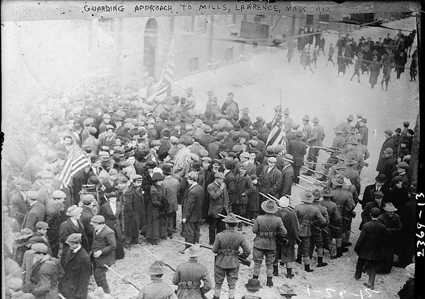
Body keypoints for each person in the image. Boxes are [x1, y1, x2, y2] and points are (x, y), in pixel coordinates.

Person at [211, 213, 250, 299]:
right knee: (232, 284)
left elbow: (214, 250)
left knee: (218, 283)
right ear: (236, 225)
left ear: (226, 225)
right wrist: (240, 257)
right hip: (234, 262)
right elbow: (247, 251)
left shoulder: (219, 236)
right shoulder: (240, 236)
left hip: (220, 262)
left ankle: (216, 297)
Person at [252, 200, 287, 287]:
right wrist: (275, 234)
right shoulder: (278, 220)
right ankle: (269, 281)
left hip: (259, 243)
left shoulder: (259, 218)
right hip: (271, 243)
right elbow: (284, 233)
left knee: (257, 262)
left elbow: (254, 230)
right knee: (270, 263)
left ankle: (255, 280)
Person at [354, 207, 386, 290]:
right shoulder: (383, 226)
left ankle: (357, 276)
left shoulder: (366, 225)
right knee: (373, 267)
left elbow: (361, 239)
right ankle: (371, 282)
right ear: (379, 215)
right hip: (376, 249)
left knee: (360, 263)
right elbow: (384, 239)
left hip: (365, 248)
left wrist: (357, 249)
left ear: (370, 215)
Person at [295, 191, 326, 272]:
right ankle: (307, 267)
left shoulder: (297, 207)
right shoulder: (315, 209)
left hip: (297, 229)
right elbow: (323, 221)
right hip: (307, 230)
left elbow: (294, 219)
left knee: (299, 244)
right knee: (306, 248)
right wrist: (313, 222)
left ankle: (298, 258)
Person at [273, 196, 300, 279]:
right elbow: (295, 228)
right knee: (289, 255)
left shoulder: (275, 213)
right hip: (289, 238)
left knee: (275, 255)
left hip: (277, 237)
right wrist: (296, 238)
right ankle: (289, 273)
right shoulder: (292, 214)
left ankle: (275, 271)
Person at [59, 233, 91, 299]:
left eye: (71, 244)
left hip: (75, 290)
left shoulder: (85, 258)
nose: (69, 246)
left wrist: (80, 295)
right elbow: (62, 266)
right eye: (69, 244)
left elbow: (84, 279)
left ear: (77, 243)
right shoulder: (68, 250)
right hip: (64, 286)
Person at [90, 215, 116, 294]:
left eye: (94, 225)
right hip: (97, 258)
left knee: (99, 276)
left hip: (105, 259)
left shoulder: (109, 232)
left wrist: (101, 251)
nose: (93, 226)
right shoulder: (97, 229)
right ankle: (102, 291)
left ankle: (106, 293)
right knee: (98, 276)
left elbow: (113, 245)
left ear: (100, 224)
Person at [181, 171, 204, 252]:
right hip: (198, 214)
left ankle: (188, 248)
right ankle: (196, 246)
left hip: (191, 215)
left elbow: (189, 205)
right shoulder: (200, 188)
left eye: (188, 179)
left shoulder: (192, 191)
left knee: (189, 232)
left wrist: (185, 217)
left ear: (191, 179)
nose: (187, 181)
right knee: (196, 231)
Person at [377, 203, 402, 274]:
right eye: (390, 212)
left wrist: (389, 230)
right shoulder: (381, 218)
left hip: (391, 239)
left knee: (389, 254)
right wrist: (392, 230)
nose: (392, 213)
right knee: (381, 254)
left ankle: (387, 269)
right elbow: (380, 230)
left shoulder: (396, 217)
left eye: (393, 211)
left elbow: (400, 227)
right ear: (386, 211)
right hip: (382, 239)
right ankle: (380, 268)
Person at [207, 172, 230, 245]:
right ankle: (212, 242)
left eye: (223, 179)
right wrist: (220, 189)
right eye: (220, 179)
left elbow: (226, 196)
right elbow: (214, 196)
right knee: (212, 227)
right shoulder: (210, 186)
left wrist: (227, 207)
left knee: (221, 227)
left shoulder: (223, 185)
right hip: (214, 210)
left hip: (223, 209)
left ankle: (219, 241)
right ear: (216, 179)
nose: (222, 181)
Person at [145, 172, 168, 245]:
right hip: (153, 209)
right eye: (160, 181)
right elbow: (154, 201)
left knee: (157, 223)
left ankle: (156, 237)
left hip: (157, 208)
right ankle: (152, 239)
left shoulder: (159, 187)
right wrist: (162, 204)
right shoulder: (153, 189)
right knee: (154, 224)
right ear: (156, 182)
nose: (161, 182)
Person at [100, 192, 125, 260]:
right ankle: (113, 256)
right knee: (111, 240)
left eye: (114, 198)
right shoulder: (104, 206)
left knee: (119, 239)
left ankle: (120, 255)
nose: (113, 200)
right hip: (109, 224)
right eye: (111, 198)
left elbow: (121, 216)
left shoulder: (119, 204)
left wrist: (122, 226)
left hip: (117, 224)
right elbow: (103, 217)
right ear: (109, 199)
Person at [123, 175, 145, 247]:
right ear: (134, 182)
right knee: (129, 228)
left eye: (141, 182)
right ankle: (127, 242)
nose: (140, 184)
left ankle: (135, 240)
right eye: (138, 182)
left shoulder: (139, 189)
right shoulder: (130, 191)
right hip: (131, 213)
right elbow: (128, 204)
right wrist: (132, 214)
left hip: (138, 212)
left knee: (137, 226)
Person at [45, 190, 66, 257]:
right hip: (53, 232)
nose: (63, 201)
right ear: (57, 199)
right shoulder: (52, 211)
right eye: (63, 199)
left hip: (54, 230)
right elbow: (47, 224)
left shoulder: (52, 203)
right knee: (54, 246)